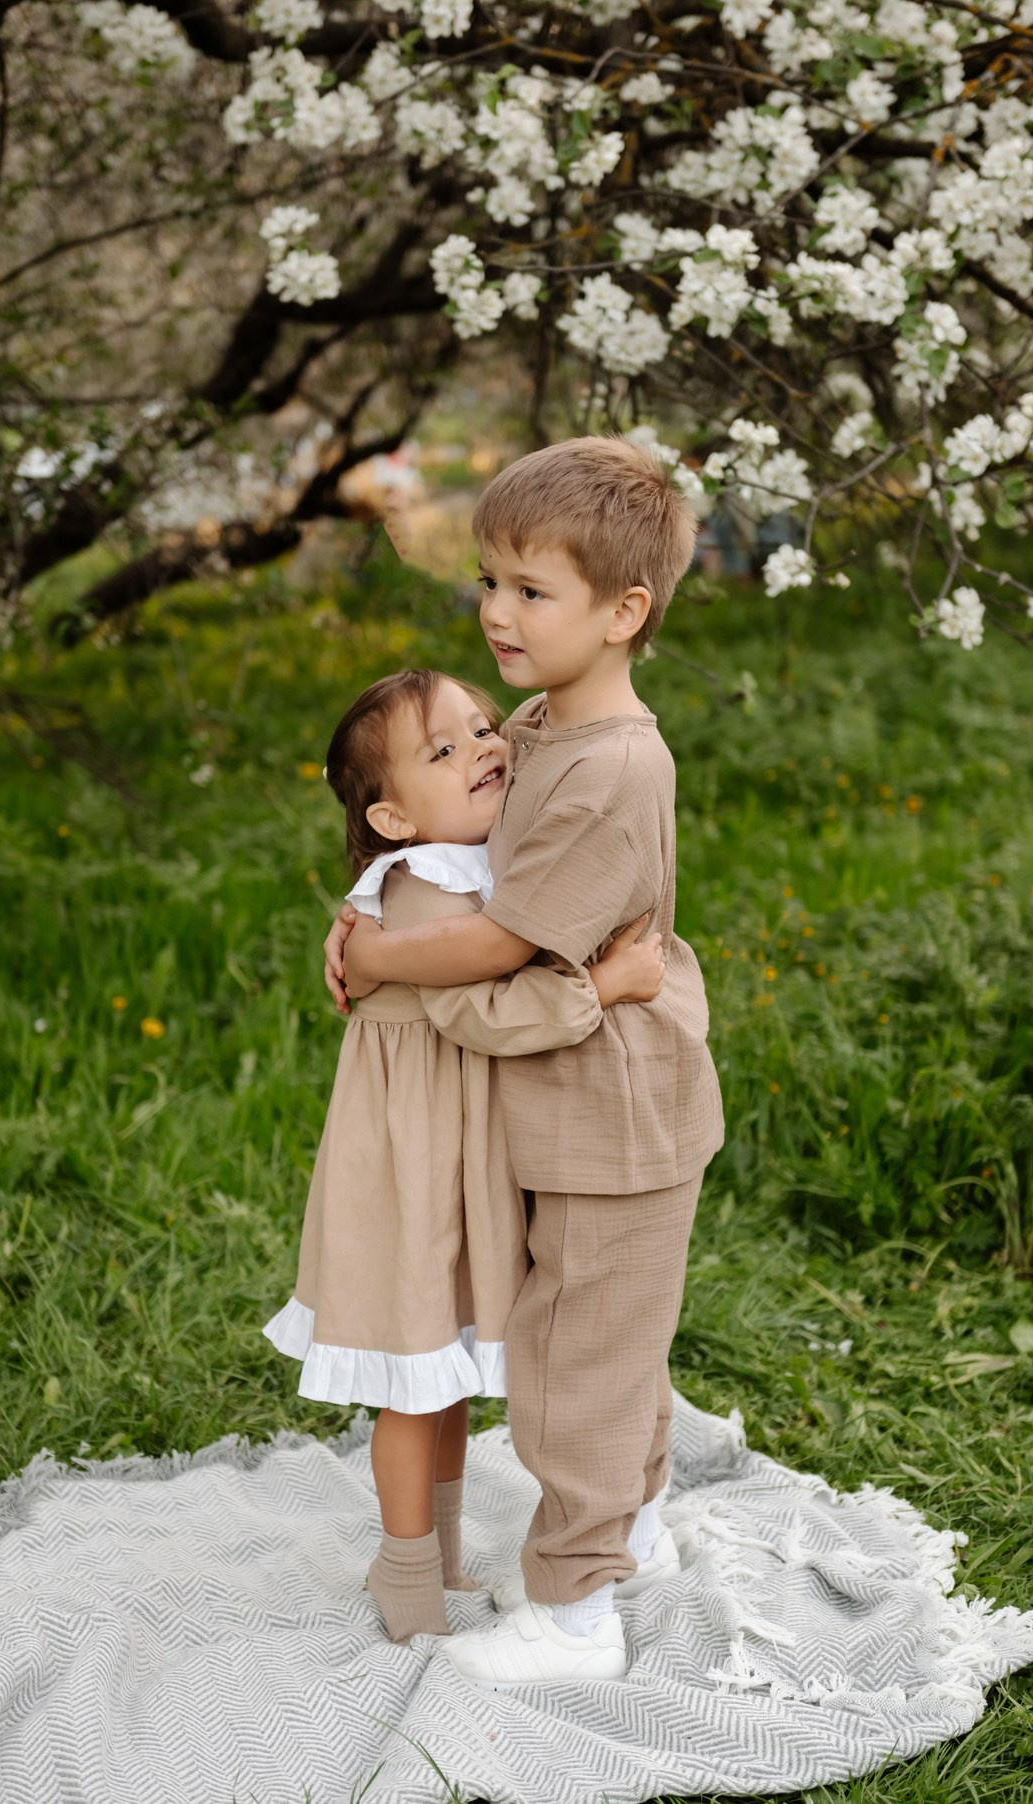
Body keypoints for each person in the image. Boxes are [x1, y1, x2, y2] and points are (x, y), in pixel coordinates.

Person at [324, 437, 725, 1686]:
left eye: (530, 592)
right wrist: (369, 912)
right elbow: (459, 855)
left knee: (571, 1368)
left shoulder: (612, 766)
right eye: (489, 581)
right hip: (575, 1103)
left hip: (613, 1109)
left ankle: (572, 1613)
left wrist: (388, 962)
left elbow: (503, 946)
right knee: (609, 1342)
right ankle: (631, 1532)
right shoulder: (550, 724)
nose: (495, 612)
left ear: (623, 613)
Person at [264, 666, 666, 1646]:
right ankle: (406, 1567)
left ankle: (438, 1550)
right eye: (445, 749)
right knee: (414, 1374)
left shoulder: (460, 855)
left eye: (480, 727)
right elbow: (480, 1010)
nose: (486, 748)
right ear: (395, 819)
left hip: (457, 1150)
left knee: (439, 1369)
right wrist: (606, 987)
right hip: (412, 1164)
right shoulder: (421, 890)